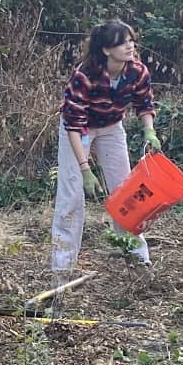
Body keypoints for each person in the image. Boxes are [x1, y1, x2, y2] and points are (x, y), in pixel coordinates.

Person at [49, 20, 160, 280]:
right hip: (80, 131)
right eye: (122, 42)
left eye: (131, 40)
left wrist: (149, 130)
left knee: (126, 194)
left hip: (111, 127)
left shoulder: (137, 72)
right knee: (72, 195)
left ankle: (138, 260)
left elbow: (144, 103)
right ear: (107, 50)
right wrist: (85, 169)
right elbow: (73, 125)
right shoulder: (85, 75)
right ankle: (62, 268)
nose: (130, 46)